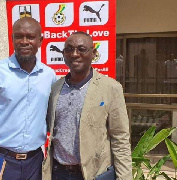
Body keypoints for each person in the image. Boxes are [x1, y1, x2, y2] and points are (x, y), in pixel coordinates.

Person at [0, 17, 56, 180]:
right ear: (12, 38)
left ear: (40, 40)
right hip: (1, 161)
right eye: (18, 36)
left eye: (30, 37)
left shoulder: (49, 76)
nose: (24, 41)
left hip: (35, 163)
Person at [42, 32, 132, 180]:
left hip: (94, 173)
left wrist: (124, 177)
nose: (75, 54)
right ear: (64, 54)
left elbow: (120, 137)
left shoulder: (110, 88)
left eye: (81, 49)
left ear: (93, 53)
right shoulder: (55, 89)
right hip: (59, 173)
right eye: (69, 49)